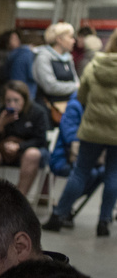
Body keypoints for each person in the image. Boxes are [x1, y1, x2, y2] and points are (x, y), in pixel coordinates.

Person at [44, 30, 117, 236]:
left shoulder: (95, 65)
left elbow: (81, 97)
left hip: (92, 129)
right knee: (113, 175)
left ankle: (58, 216)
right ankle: (103, 223)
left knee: (80, 171)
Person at [44, 92, 106, 229]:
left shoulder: (99, 107)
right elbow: (69, 135)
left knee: (103, 173)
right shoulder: (75, 105)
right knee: (90, 173)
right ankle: (62, 210)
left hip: (86, 158)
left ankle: (65, 206)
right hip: (64, 157)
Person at [0, 80, 50, 195]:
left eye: (16, 100)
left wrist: (19, 146)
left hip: (26, 153)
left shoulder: (37, 112)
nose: (12, 104)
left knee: (33, 154)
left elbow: (41, 140)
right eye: (8, 100)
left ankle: (19, 197)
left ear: (24, 99)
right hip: (3, 151)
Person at [32, 21, 79, 117]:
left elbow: (76, 81)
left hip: (66, 109)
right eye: (70, 37)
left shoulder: (68, 58)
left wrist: (76, 86)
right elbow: (50, 87)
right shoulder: (43, 57)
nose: (73, 41)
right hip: (47, 110)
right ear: (59, 39)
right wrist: (75, 87)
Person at [5, 30, 38, 99]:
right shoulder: (28, 55)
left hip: (14, 88)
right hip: (26, 90)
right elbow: (33, 75)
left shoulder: (16, 53)